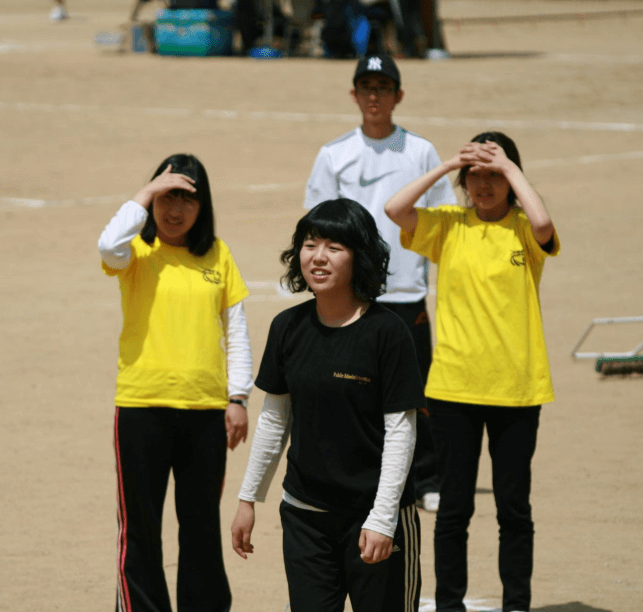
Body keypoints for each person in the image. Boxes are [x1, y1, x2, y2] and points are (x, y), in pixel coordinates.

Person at [384, 132, 559, 612]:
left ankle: (517, 605)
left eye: (494, 175)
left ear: (510, 178)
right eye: (475, 175)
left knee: (514, 509)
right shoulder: (448, 225)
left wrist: (509, 166)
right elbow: (395, 210)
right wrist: (446, 165)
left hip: (518, 389)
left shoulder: (524, 228)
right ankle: (450, 605)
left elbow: (543, 221)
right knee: (454, 511)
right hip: (454, 389)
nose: (483, 185)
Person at [230, 199, 425, 612]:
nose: (317, 257)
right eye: (309, 243)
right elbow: (273, 420)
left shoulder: (388, 333)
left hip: (373, 516)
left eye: (334, 247)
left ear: (361, 257)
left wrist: (382, 519)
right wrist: (249, 500)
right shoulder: (288, 328)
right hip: (305, 518)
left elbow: (401, 431)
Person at [98, 153, 253, 612]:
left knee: (201, 526)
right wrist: (144, 194)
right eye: (167, 196)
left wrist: (238, 396)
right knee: (141, 529)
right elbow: (107, 245)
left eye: (187, 197)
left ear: (202, 206)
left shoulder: (218, 254)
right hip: (141, 408)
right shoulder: (135, 251)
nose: (175, 209)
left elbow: (237, 329)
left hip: (205, 412)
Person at [305, 52, 454, 518]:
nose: (374, 96)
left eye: (383, 88)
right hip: (354, 294)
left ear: (398, 95)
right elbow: (317, 222)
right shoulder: (334, 155)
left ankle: (426, 479)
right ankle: (361, 474)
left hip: (406, 292)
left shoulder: (420, 152)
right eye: (366, 88)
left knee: (415, 393)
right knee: (352, 391)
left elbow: (443, 220)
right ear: (354, 95)